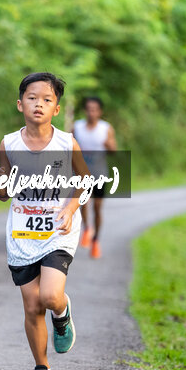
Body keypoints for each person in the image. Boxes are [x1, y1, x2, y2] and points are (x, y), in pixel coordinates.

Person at [0, 72, 91, 370]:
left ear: (56, 109)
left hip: (58, 228)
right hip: (22, 231)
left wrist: (71, 208)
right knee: (32, 305)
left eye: (47, 99)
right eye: (32, 98)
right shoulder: (9, 143)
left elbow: (85, 180)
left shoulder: (66, 143)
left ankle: (62, 313)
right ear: (20, 104)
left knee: (49, 296)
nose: (39, 104)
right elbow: (4, 194)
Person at [72, 96, 117, 259]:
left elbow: (114, 151)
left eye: (94, 110)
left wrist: (109, 146)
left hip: (100, 175)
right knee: (83, 202)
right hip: (82, 174)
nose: (91, 113)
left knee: (97, 208)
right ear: (85, 111)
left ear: (99, 112)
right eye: (89, 109)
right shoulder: (77, 127)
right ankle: (87, 229)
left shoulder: (106, 129)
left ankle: (96, 240)